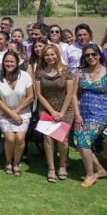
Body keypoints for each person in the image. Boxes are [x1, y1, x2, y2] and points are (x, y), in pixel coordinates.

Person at [72, 43, 107, 188]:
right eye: (87, 55)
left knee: (83, 142)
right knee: (79, 141)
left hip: (100, 114)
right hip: (83, 113)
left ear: (99, 55)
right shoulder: (80, 73)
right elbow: (73, 95)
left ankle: (90, 175)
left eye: (93, 54)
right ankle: (100, 170)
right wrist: (77, 115)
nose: (91, 57)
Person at [34, 44, 74, 182]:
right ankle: (51, 168)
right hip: (46, 109)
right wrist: (52, 112)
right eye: (47, 55)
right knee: (48, 139)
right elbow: (39, 94)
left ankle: (62, 165)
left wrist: (61, 112)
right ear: (43, 57)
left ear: (57, 54)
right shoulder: (39, 71)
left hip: (65, 109)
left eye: (52, 54)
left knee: (62, 140)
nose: (50, 57)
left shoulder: (66, 71)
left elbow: (70, 94)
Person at [0, 51, 34, 176]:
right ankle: (8, 162)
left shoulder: (25, 76)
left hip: (22, 112)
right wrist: (10, 112)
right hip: (4, 112)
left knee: (20, 138)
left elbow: (30, 96)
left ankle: (16, 163)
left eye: (11, 61)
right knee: (10, 138)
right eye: (6, 61)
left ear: (17, 63)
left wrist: (16, 112)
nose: (9, 64)